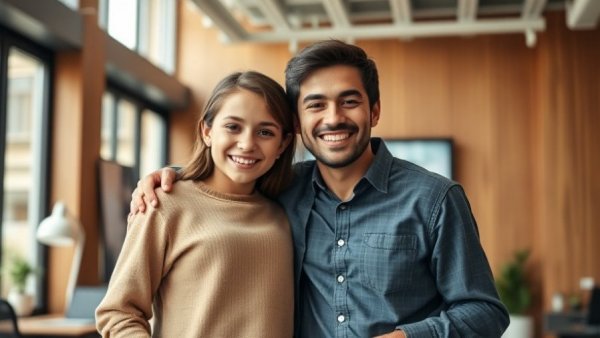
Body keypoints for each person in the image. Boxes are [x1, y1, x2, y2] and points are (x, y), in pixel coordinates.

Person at [131, 40, 510, 337]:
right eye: (316, 105)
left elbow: (485, 313)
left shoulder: (434, 199)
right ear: (297, 122)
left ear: (374, 111)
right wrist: (173, 176)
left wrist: (405, 337)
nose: (334, 118)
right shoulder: (282, 190)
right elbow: (228, 174)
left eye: (349, 102)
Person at [95, 71, 296, 338]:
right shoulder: (164, 203)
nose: (247, 144)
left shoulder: (288, 208)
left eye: (265, 132)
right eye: (233, 127)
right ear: (207, 131)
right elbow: (118, 312)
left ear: (282, 144)